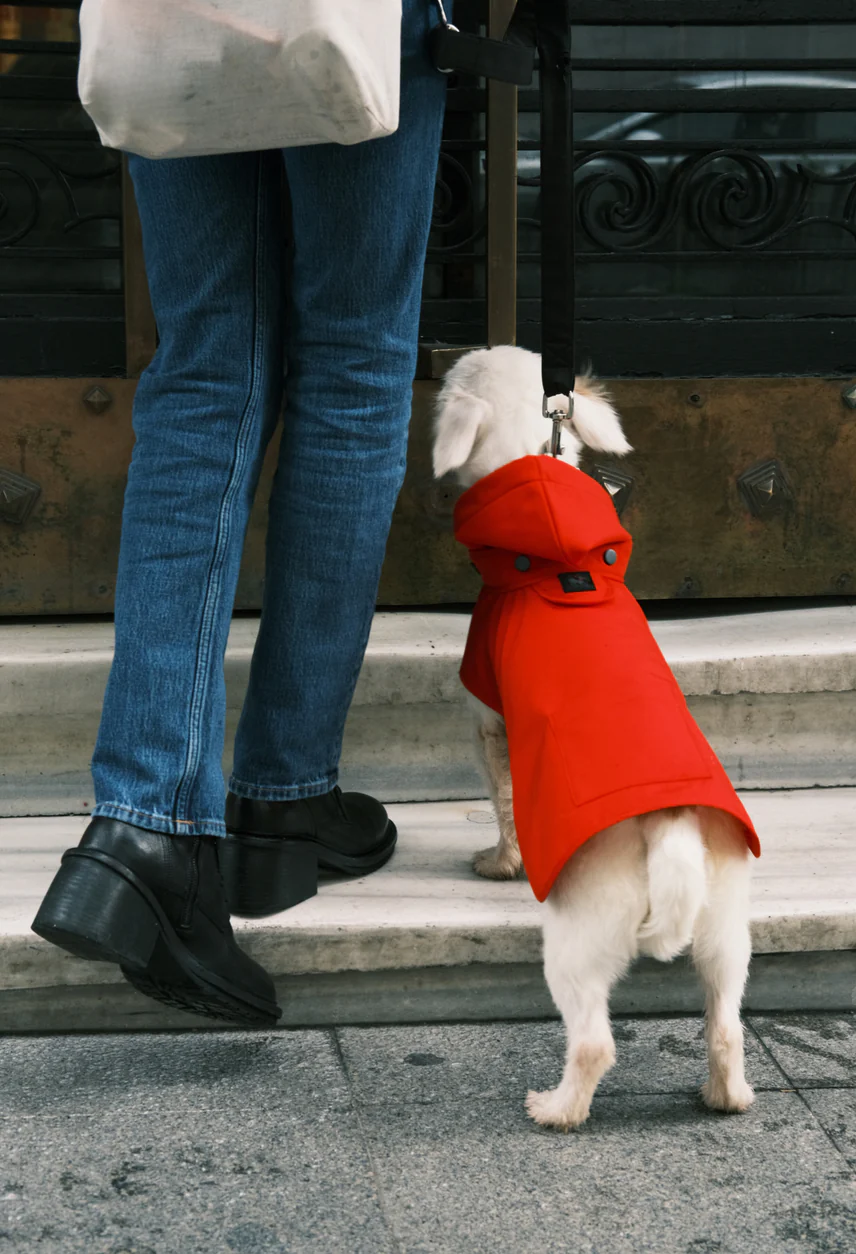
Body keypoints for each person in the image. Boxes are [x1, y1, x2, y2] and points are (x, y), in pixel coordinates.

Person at [31, 0, 449, 1027]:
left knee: (205, 369)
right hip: (355, 16)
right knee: (355, 365)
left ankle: (146, 824)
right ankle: (281, 796)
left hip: (174, 14)